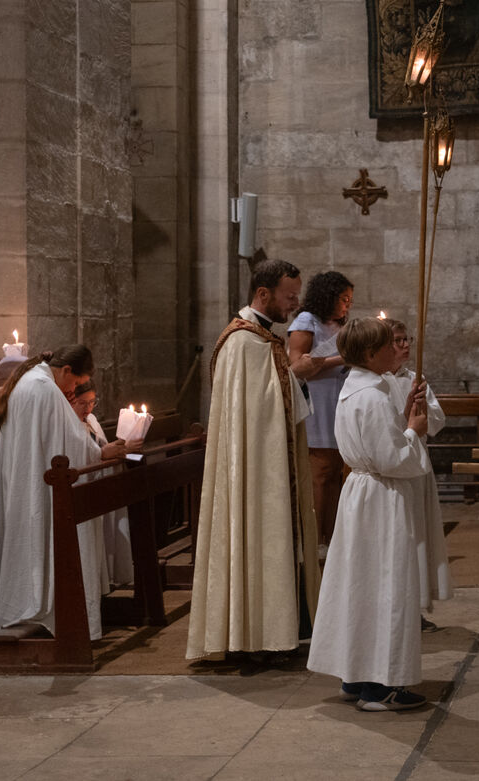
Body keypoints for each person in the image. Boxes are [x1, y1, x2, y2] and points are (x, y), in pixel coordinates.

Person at [187, 259, 321, 663]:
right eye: (289, 296)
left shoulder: (262, 341)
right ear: (263, 294)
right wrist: (296, 375)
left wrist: (293, 377)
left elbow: (266, 403)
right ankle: (252, 639)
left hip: (268, 466)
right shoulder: (242, 343)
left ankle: (271, 634)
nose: (295, 304)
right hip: (253, 470)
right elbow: (254, 413)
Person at [307, 317, 432, 712]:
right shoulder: (374, 397)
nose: (396, 349)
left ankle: (356, 674)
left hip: (360, 494)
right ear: (370, 353)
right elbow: (393, 459)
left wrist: (404, 418)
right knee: (385, 586)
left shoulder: (355, 388)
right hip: (381, 496)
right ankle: (380, 687)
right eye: (388, 345)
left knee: (360, 585)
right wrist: (414, 430)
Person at [0, 347, 133, 639]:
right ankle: (46, 611)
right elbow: (72, 442)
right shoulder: (43, 388)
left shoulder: (30, 380)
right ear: (66, 371)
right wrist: (101, 452)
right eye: (76, 383)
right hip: (39, 484)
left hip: (30, 480)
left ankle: (30, 606)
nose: (73, 389)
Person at [382, 317, 451, 628]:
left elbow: (436, 423)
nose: (405, 345)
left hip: (417, 463)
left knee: (418, 534)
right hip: (392, 466)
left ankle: (416, 605)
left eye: (406, 339)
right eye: (397, 340)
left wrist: (423, 408)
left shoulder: (415, 378)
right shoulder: (377, 382)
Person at [286, 270, 354, 548]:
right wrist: (342, 359)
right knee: (320, 473)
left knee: (336, 471)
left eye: (350, 300)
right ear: (328, 296)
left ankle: (332, 538)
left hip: (337, 400)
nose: (347, 305)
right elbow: (296, 367)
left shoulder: (337, 325)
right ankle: (313, 542)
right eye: (344, 299)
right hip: (316, 401)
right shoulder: (307, 321)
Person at [71, 381, 133, 588]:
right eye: (82, 403)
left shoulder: (92, 420)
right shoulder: (68, 424)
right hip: (82, 489)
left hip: (100, 484)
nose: (88, 408)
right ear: (70, 400)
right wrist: (103, 453)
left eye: (92, 402)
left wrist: (123, 448)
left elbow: (101, 447)